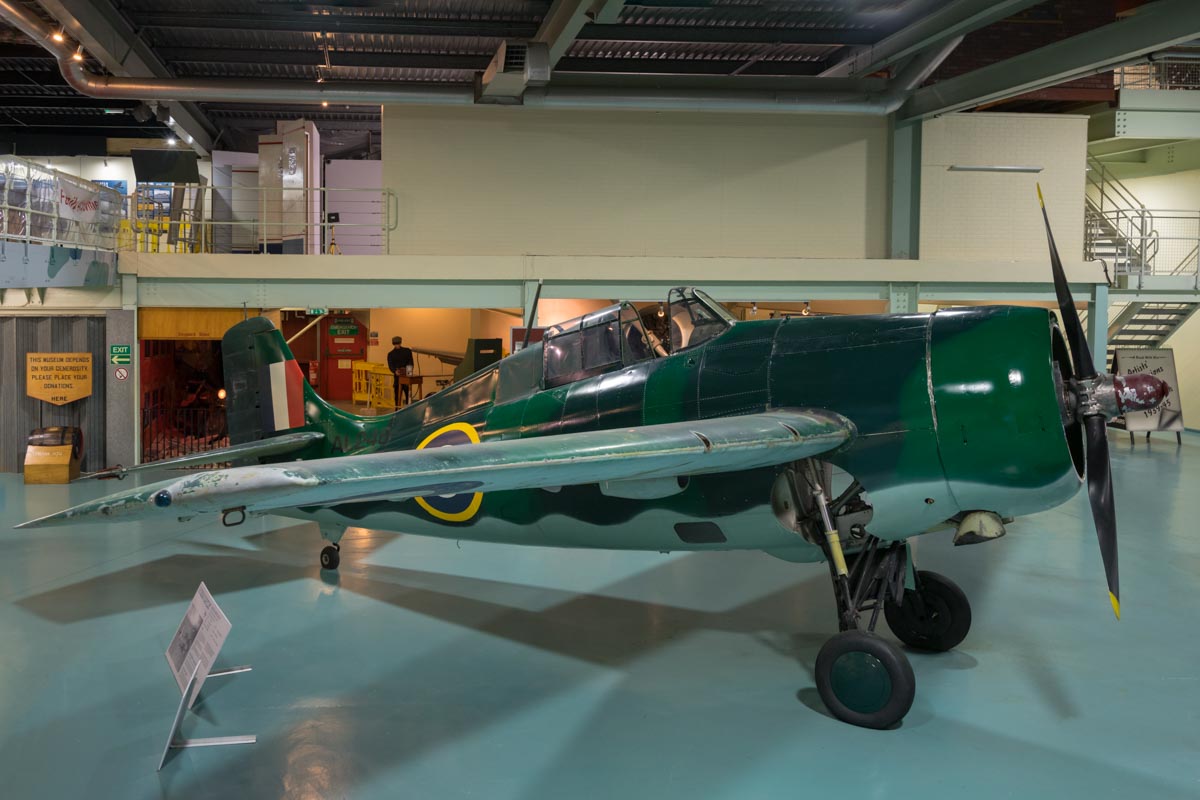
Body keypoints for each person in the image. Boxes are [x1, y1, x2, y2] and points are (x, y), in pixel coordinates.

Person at [387, 335, 415, 406]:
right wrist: (395, 371)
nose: (397, 345)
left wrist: (408, 373)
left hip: (406, 377)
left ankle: (408, 408)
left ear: (400, 343)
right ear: (393, 344)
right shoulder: (390, 354)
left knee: (408, 396)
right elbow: (391, 366)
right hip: (397, 378)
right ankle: (397, 410)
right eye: (395, 344)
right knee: (397, 397)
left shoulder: (407, 351)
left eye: (398, 343)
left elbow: (410, 362)